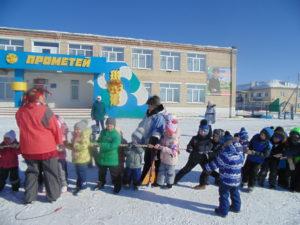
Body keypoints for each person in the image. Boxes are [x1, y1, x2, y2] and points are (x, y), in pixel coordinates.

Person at [16, 87, 62, 204]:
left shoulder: (20, 111)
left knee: (32, 172)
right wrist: (59, 142)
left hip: (28, 148)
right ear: (39, 97)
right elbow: (55, 128)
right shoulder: (45, 110)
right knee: (50, 172)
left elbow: (20, 125)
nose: (44, 97)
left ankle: (29, 197)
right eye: (42, 95)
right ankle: (53, 196)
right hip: (46, 148)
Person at [205, 132, 244, 217]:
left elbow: (214, 164)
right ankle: (236, 207)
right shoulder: (239, 152)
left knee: (224, 195)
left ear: (225, 143)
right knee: (235, 192)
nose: (222, 145)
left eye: (223, 143)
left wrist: (207, 167)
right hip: (237, 179)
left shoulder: (224, 155)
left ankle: (223, 211)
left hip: (226, 180)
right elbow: (239, 147)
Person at [133, 95, 166, 185]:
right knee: (148, 161)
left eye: (150, 105)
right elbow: (142, 126)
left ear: (155, 106)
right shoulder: (148, 114)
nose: (149, 107)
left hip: (155, 143)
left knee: (155, 162)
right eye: (148, 105)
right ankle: (148, 179)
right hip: (147, 141)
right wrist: (137, 137)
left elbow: (158, 130)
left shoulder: (159, 117)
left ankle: (150, 180)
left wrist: (152, 142)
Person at [174, 119, 213, 188]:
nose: (203, 132)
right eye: (201, 130)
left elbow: (209, 147)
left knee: (207, 170)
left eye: (205, 131)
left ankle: (204, 183)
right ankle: (174, 180)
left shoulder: (209, 139)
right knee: (186, 169)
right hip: (194, 158)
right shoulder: (195, 138)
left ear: (208, 131)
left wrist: (203, 149)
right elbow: (190, 145)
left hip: (203, 158)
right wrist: (189, 148)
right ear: (199, 130)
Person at [241, 127, 273, 192]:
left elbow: (265, 154)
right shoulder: (255, 137)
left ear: (267, 137)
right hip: (250, 158)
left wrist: (254, 152)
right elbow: (251, 144)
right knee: (245, 170)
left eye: (264, 135)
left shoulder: (268, 144)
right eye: (261, 134)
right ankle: (244, 181)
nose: (261, 136)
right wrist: (248, 148)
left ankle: (251, 186)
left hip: (258, 161)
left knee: (253, 173)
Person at [94, 118, 122, 194]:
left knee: (114, 174)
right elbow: (99, 140)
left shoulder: (116, 134)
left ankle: (117, 187)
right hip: (102, 157)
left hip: (112, 158)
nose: (109, 125)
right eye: (108, 124)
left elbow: (113, 146)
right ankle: (101, 184)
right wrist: (96, 142)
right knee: (101, 173)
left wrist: (101, 144)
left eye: (111, 124)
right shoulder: (103, 132)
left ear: (114, 125)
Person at [154, 114, 180, 189]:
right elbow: (162, 142)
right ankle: (159, 183)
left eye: (168, 131)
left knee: (170, 173)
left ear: (172, 131)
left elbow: (173, 152)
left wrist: (162, 148)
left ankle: (169, 184)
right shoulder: (165, 136)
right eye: (166, 130)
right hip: (164, 159)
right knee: (161, 171)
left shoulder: (174, 140)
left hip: (171, 161)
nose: (166, 131)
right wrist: (158, 145)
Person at [67, 120, 92, 195]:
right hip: (76, 158)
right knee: (78, 173)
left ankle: (83, 186)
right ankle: (78, 185)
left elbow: (84, 146)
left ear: (82, 130)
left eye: (78, 129)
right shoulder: (75, 136)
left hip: (82, 158)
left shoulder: (84, 136)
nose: (77, 131)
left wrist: (74, 145)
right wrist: (67, 145)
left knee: (82, 173)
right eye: (75, 129)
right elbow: (74, 147)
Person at [283, 127, 300, 192]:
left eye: (296, 136)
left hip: (298, 160)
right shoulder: (288, 142)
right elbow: (287, 152)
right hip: (291, 160)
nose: (294, 138)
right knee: (292, 173)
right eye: (293, 135)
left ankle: (298, 187)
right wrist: (290, 161)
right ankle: (292, 186)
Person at [56, 115, 69, 193]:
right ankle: (57, 182)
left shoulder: (63, 131)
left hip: (60, 154)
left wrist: (60, 147)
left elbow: (64, 141)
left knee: (62, 169)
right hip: (53, 154)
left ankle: (64, 184)